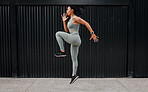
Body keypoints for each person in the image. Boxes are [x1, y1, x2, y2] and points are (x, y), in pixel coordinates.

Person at [54, 5, 99, 84]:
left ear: (72, 10)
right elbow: (67, 31)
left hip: (75, 38)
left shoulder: (75, 18)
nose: (66, 11)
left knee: (58, 34)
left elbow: (86, 23)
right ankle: (74, 75)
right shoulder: (70, 19)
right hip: (74, 39)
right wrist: (64, 21)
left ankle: (62, 51)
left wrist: (92, 33)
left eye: (68, 9)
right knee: (74, 59)